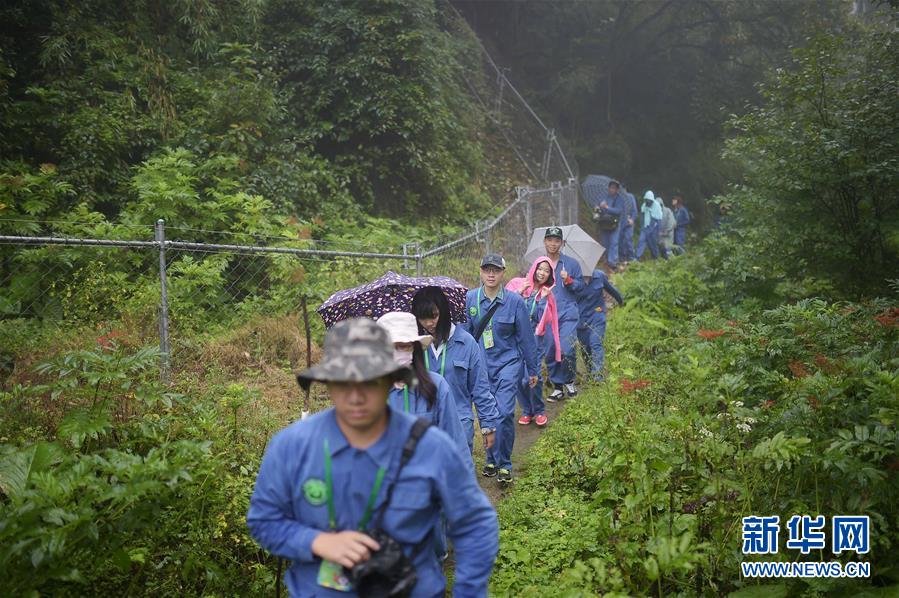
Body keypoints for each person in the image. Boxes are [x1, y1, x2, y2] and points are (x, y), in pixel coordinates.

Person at [247, 318, 498, 597]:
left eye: (369, 380)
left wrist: (469, 590)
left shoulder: (431, 447)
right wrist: (315, 541)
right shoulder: (292, 447)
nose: (356, 396)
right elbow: (264, 520)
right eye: (344, 382)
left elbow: (475, 523)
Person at [463, 253, 538, 484]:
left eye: (496, 270)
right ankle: (491, 459)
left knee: (504, 413)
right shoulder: (471, 299)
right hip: (481, 367)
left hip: (509, 363)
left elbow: (526, 337)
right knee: (487, 414)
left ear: (503, 273)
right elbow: (465, 336)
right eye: (487, 269)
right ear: (481, 271)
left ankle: (504, 463)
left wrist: (533, 368)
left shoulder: (515, 301)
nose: (491, 274)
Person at [410, 286, 499, 454]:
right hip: (424, 425)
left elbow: (479, 386)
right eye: (423, 318)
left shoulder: (466, 343)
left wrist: (488, 424)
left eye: (434, 316)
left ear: (443, 311)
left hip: (459, 424)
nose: (429, 323)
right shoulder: (414, 346)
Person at [376, 311, 471, 466]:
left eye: (405, 347)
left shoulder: (436, 386)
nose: (398, 353)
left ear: (414, 349)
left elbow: (456, 443)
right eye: (392, 347)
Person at [513, 256, 561, 427]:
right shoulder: (520, 286)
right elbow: (507, 307)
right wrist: (519, 292)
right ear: (534, 268)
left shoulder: (547, 294)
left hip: (534, 340)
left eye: (547, 271)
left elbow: (544, 320)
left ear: (550, 275)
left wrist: (545, 300)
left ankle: (539, 410)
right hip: (516, 340)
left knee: (532, 377)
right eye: (540, 268)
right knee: (518, 377)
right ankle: (527, 411)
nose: (542, 273)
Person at [541, 226, 584, 401]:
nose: (553, 243)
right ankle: (557, 386)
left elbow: (581, 288)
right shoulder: (540, 265)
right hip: (547, 313)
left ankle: (569, 380)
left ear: (562, 243)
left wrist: (569, 280)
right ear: (545, 242)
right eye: (550, 240)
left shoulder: (571, 264)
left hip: (567, 312)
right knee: (550, 349)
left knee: (567, 348)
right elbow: (532, 284)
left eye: (557, 240)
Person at [575, 269, 624, 382]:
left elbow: (611, 290)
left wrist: (620, 300)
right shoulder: (572, 280)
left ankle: (597, 376)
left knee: (595, 343)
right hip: (581, 319)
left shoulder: (600, 276)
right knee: (585, 347)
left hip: (597, 315)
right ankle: (590, 371)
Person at [592, 180, 624, 272]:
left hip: (614, 224)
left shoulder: (619, 199)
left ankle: (612, 262)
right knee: (605, 243)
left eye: (614, 188)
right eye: (611, 187)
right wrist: (598, 207)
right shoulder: (604, 197)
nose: (612, 189)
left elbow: (619, 211)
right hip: (604, 223)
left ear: (617, 190)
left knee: (614, 242)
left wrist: (607, 207)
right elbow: (597, 206)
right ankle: (606, 260)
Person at [636, 190, 662, 260]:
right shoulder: (644, 205)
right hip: (645, 228)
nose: (647, 202)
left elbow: (658, 219)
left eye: (649, 200)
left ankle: (656, 258)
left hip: (654, 228)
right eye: (646, 200)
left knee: (652, 244)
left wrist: (659, 231)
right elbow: (642, 215)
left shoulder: (657, 206)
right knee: (641, 241)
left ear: (651, 200)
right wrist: (642, 227)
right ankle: (637, 258)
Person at [619, 190, 638, 265]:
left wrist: (632, 219)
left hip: (629, 222)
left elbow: (634, 210)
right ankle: (622, 259)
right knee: (620, 241)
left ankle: (631, 258)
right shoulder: (617, 198)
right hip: (620, 223)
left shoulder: (630, 197)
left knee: (628, 239)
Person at [659, 196, 675, 260]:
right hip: (661, 235)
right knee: (662, 250)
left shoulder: (667, 211)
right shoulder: (656, 212)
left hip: (668, 234)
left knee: (668, 250)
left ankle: (673, 263)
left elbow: (671, 223)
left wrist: (666, 232)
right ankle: (665, 264)